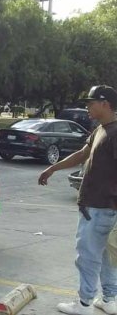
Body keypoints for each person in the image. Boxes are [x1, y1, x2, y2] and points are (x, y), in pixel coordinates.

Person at [38, 85, 117, 315]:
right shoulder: (102, 129)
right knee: (106, 256)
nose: (87, 107)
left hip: (101, 207)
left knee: (88, 257)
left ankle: (84, 304)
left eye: (91, 103)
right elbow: (82, 154)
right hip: (101, 207)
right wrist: (53, 168)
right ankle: (110, 299)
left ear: (105, 104)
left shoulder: (114, 133)